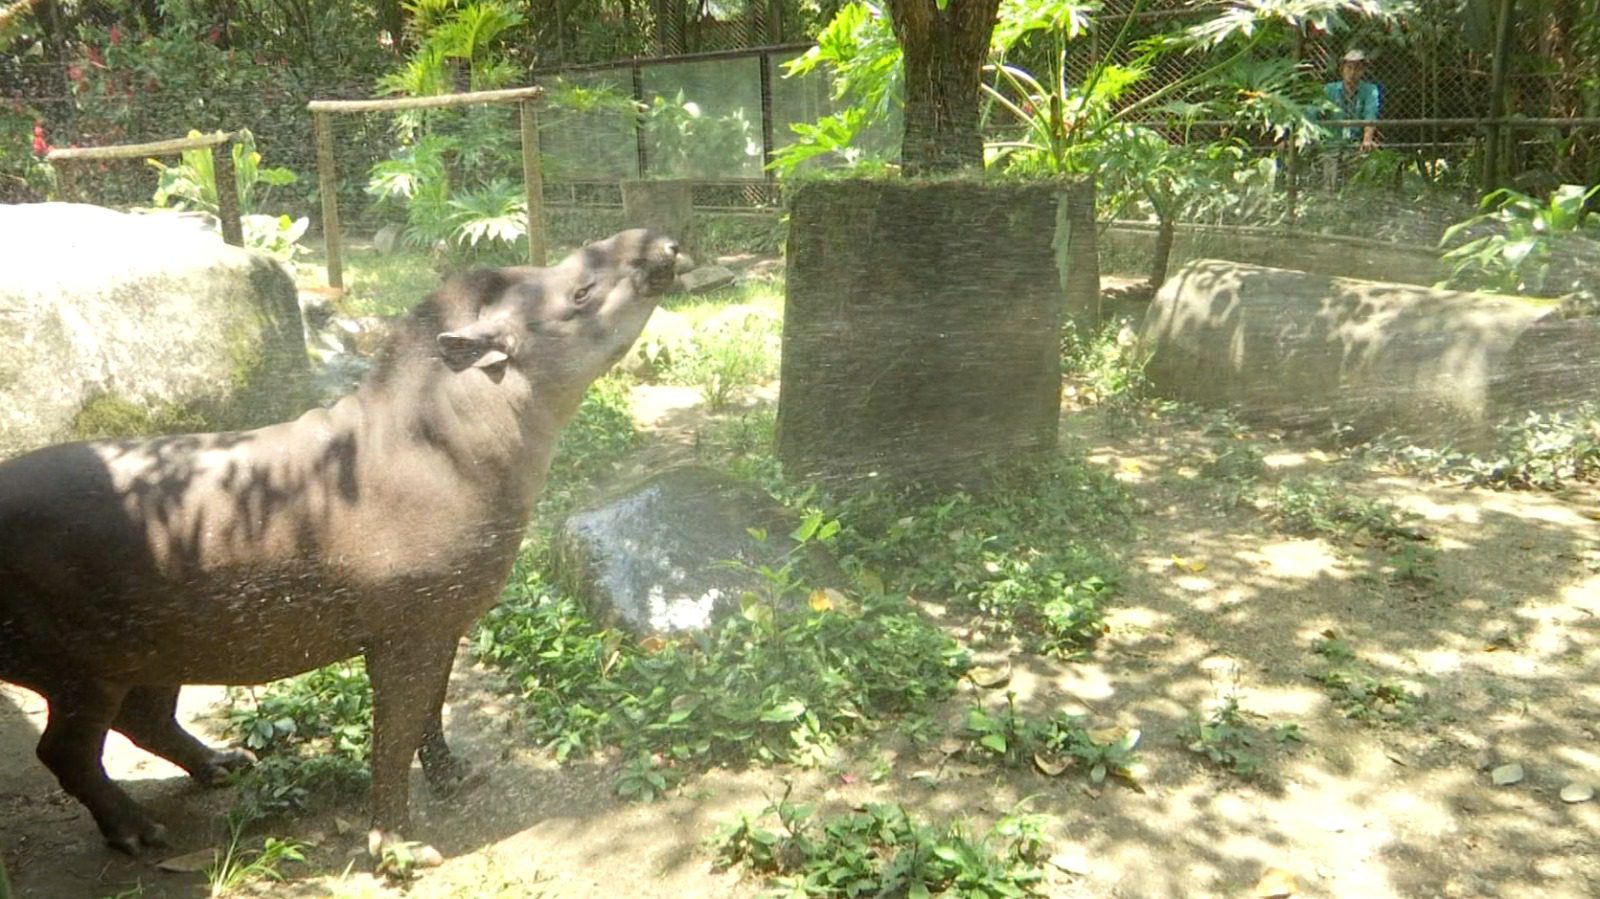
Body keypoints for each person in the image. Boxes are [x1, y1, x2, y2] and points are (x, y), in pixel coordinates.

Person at [1324, 48, 1381, 152]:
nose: (1352, 72)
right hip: (1331, 144)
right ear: (1342, 69)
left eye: (1357, 68)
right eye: (1349, 68)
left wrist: (1367, 139)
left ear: (1363, 71)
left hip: (1356, 143)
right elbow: (1313, 112)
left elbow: (1370, 114)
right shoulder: (1329, 90)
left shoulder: (1370, 90)